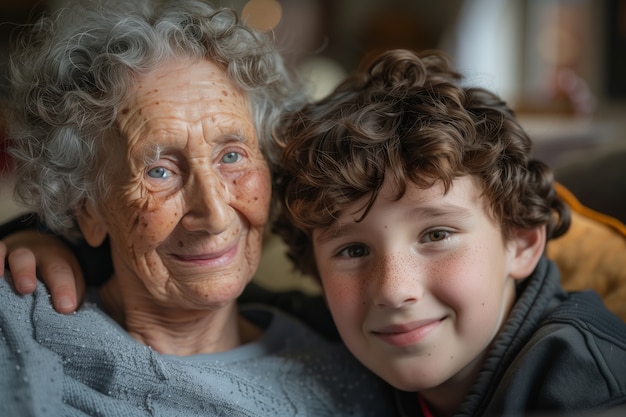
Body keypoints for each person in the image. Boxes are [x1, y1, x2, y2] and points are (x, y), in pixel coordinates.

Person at [0, 1, 395, 416]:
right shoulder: (19, 331)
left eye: (231, 156)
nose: (215, 215)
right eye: (159, 171)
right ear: (87, 207)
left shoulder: (353, 375)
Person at [272, 49, 626, 416]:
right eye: (354, 251)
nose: (393, 292)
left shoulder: (587, 386)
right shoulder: (344, 331)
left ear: (521, 242)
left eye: (436, 235)